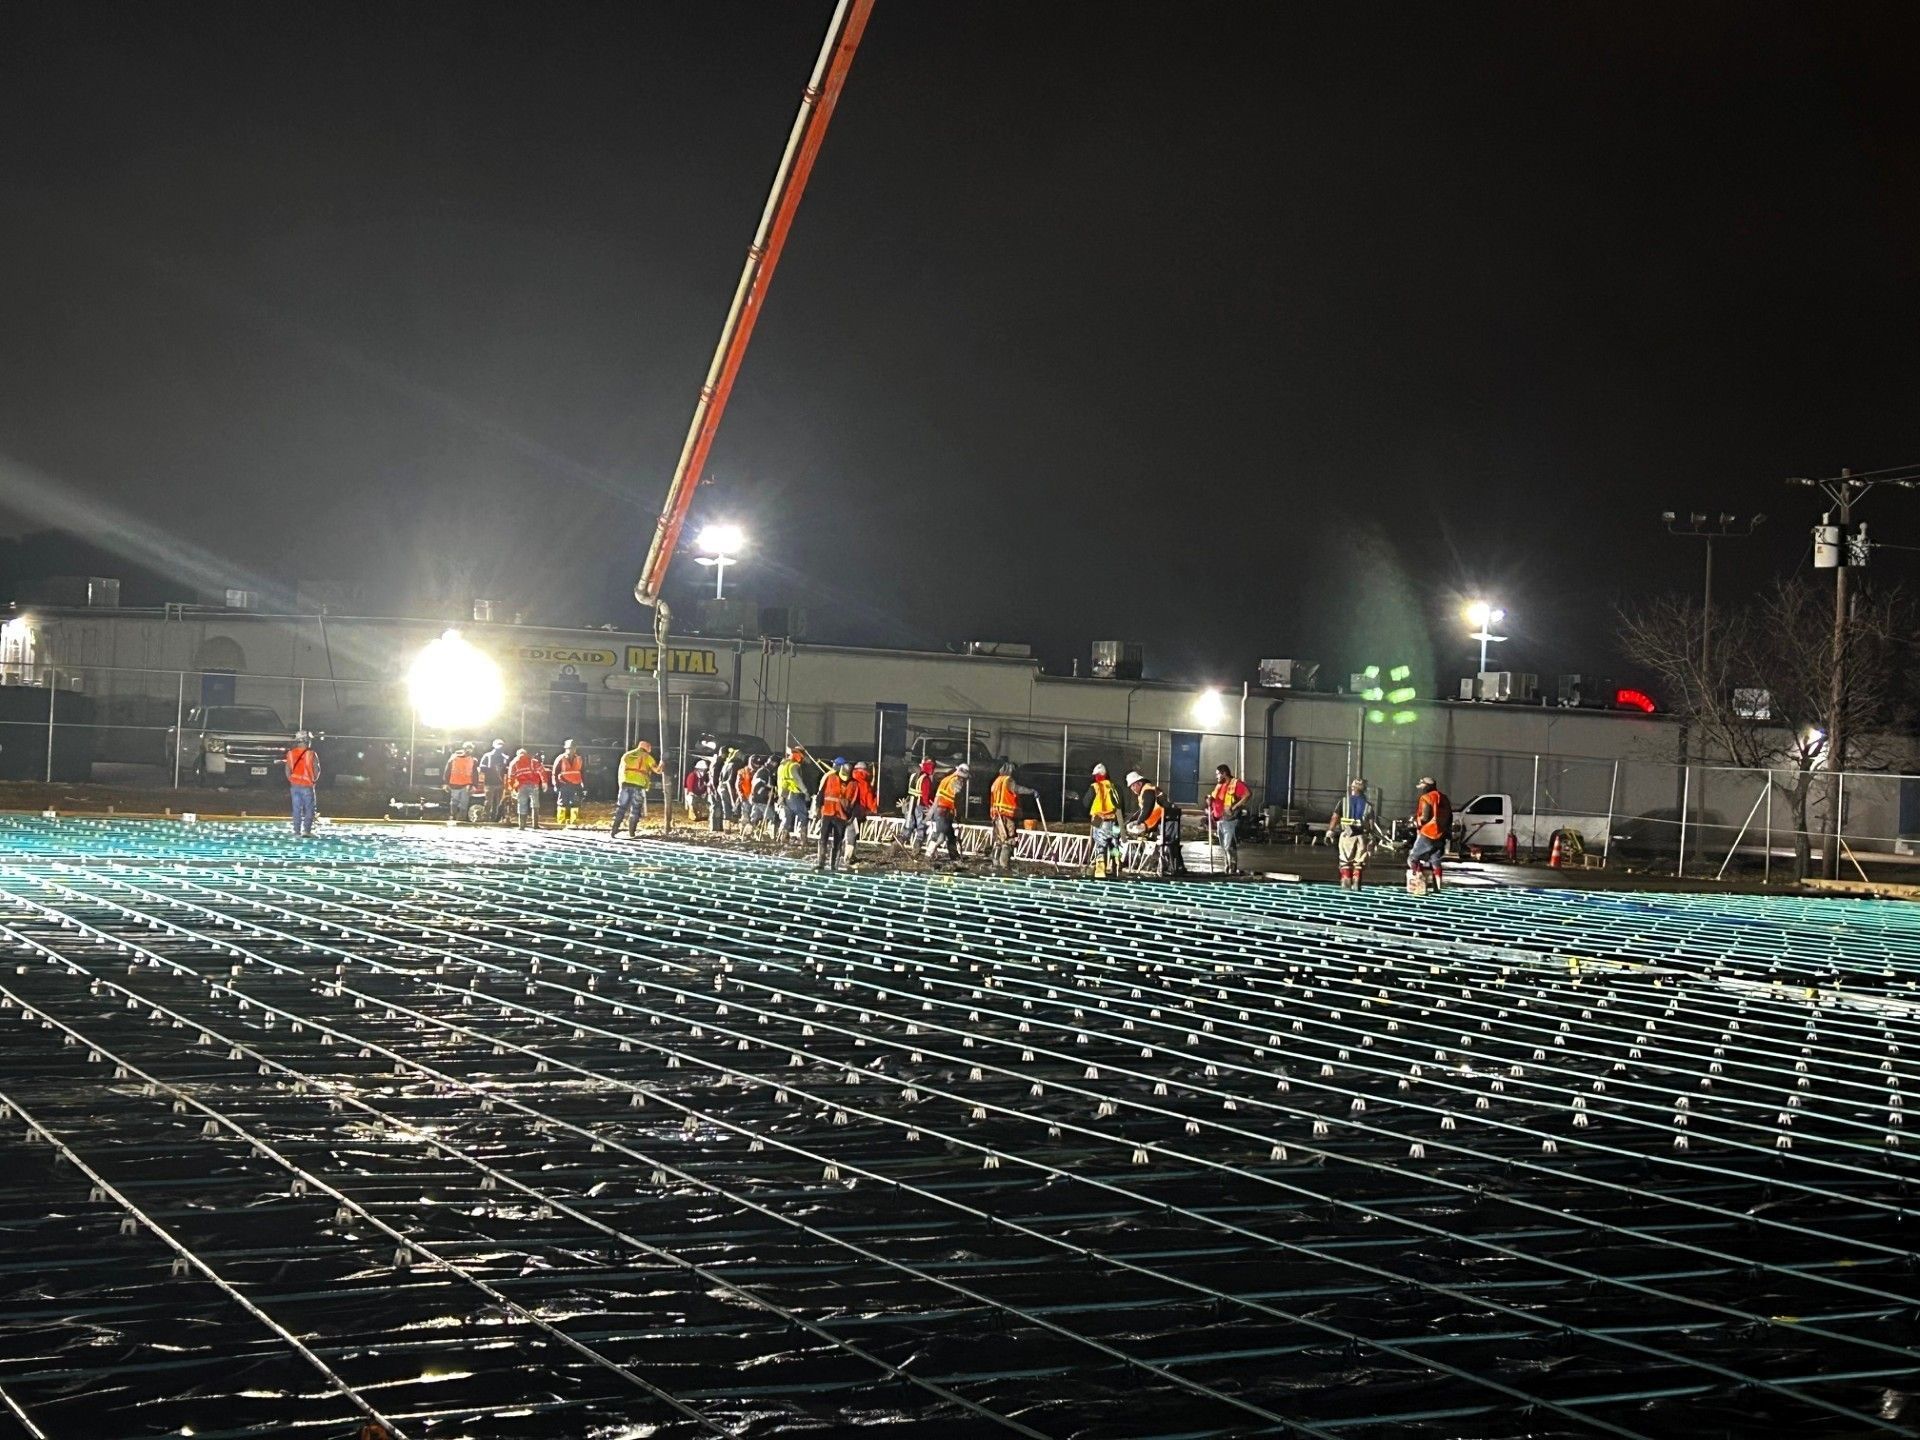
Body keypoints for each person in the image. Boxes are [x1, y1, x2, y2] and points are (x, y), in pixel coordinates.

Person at [1126, 770, 1185, 877]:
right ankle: (1172, 867)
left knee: (1167, 843)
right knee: (1168, 843)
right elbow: (1142, 810)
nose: (1132, 789)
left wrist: (1138, 822)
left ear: (1138, 783)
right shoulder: (1145, 791)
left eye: (1133, 786)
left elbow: (1147, 809)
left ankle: (1171, 867)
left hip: (1168, 818)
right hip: (1163, 819)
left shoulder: (1148, 790)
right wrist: (1131, 820)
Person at [1329, 778, 1378, 888]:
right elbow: (1371, 825)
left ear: (1352, 788)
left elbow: (1335, 817)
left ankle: (1346, 883)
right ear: (1364, 789)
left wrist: (1330, 831)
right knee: (1359, 863)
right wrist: (1371, 839)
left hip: (1347, 835)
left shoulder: (1344, 801)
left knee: (1345, 861)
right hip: (1362, 836)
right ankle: (1356, 883)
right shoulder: (1368, 805)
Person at [988, 761, 1036, 871]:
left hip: (996, 816)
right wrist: (1031, 791)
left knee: (999, 840)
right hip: (1007, 816)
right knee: (1009, 840)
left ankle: (995, 864)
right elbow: (1017, 789)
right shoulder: (1008, 780)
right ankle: (1004, 864)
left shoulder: (996, 781)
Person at [1408, 776, 1452, 895]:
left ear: (1426, 786)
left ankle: (1419, 882)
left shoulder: (1426, 798)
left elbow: (1425, 817)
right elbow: (1449, 817)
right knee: (1435, 861)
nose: (1421, 788)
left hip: (1428, 833)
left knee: (1413, 858)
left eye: (1422, 786)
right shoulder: (1444, 798)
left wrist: (1415, 821)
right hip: (1441, 834)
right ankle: (1438, 887)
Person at [1208, 763, 1251, 874]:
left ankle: (1232, 868)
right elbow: (1214, 798)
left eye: (1218, 774)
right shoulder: (1219, 785)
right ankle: (1227, 867)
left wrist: (1235, 806)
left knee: (1228, 845)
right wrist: (1209, 801)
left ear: (1224, 773)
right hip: (1219, 819)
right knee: (1224, 845)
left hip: (1230, 819)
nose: (1216, 776)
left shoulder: (1235, 783)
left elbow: (1247, 794)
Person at [815, 757, 856, 872]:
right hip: (828, 813)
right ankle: (821, 863)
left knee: (837, 842)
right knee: (823, 839)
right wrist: (818, 808)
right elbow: (821, 794)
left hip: (841, 817)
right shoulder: (830, 778)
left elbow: (854, 802)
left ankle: (834, 866)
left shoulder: (853, 784)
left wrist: (851, 817)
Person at [610, 739, 657, 837]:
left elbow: (620, 771)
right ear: (647, 748)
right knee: (635, 809)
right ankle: (631, 832)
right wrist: (663, 764)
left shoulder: (626, 755)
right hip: (639, 786)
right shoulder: (647, 757)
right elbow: (657, 770)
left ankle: (614, 830)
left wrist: (621, 785)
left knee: (621, 808)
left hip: (625, 784)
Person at [1086, 762, 1123, 878]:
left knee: (1100, 844)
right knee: (1114, 843)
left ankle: (1100, 871)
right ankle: (1116, 866)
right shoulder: (1115, 787)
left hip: (1099, 818)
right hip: (1115, 819)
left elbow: (1086, 802)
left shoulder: (1095, 787)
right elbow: (1121, 805)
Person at [927, 762, 967, 865]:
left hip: (941, 810)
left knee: (950, 835)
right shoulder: (957, 781)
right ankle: (929, 854)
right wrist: (958, 814)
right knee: (940, 836)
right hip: (944, 811)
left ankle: (954, 856)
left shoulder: (947, 779)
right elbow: (957, 799)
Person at [283, 730, 321, 838]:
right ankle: (307, 831)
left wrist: (292, 780)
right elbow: (317, 770)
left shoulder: (290, 753)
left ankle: (296, 832)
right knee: (309, 809)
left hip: (294, 786)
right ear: (307, 741)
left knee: (296, 809)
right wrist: (313, 781)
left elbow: (287, 770)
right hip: (307, 786)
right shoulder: (311, 754)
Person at [845, 759, 879, 865]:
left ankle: (850, 855)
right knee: (852, 833)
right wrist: (877, 803)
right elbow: (870, 803)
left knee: (850, 833)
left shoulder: (850, 780)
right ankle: (848, 857)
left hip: (847, 811)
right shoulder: (865, 784)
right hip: (857, 813)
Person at [776, 746, 812, 844]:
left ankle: (782, 838)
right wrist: (805, 792)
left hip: (783, 795)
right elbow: (797, 779)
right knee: (803, 816)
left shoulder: (782, 765)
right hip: (794, 794)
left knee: (787, 817)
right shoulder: (794, 766)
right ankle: (803, 839)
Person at [903, 757, 937, 848]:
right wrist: (930, 807)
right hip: (920, 805)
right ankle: (916, 849)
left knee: (908, 827)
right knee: (920, 828)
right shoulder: (925, 779)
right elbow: (926, 796)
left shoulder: (913, 776)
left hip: (910, 805)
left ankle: (896, 846)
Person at [552, 739, 586, 828]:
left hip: (575, 784)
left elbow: (582, 772)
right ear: (566, 748)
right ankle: (561, 822)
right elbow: (555, 773)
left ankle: (573, 821)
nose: (571, 750)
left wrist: (583, 784)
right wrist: (555, 784)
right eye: (570, 748)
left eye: (573, 748)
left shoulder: (579, 759)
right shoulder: (561, 758)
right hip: (564, 784)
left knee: (575, 803)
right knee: (562, 803)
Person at [509, 747, 546, 830]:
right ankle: (535, 825)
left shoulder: (514, 763)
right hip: (534, 785)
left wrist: (512, 788)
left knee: (522, 804)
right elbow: (541, 771)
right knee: (535, 804)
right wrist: (544, 782)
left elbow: (511, 777)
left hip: (521, 786)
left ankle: (521, 826)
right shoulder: (533, 761)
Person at [444, 742, 479, 824]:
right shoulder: (454, 758)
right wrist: (446, 783)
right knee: (456, 803)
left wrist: (474, 785)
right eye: (468, 748)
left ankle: (459, 819)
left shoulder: (472, 760)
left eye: (470, 749)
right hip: (456, 785)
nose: (469, 750)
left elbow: (474, 774)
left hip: (464, 785)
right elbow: (448, 770)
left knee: (462, 803)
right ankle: (454, 818)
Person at [478, 738, 511, 823]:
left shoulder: (505, 758)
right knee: (488, 801)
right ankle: (486, 817)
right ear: (494, 746)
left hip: (500, 783)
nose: (500, 748)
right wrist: (491, 769)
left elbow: (508, 770)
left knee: (499, 802)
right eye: (498, 745)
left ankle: (497, 818)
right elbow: (481, 767)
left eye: (501, 746)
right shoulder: (487, 756)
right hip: (489, 783)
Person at [714, 747, 743, 831]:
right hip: (729, 789)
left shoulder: (726, 764)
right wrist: (733, 797)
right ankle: (740, 828)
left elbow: (721, 778)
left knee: (726, 808)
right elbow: (731, 781)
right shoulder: (736, 765)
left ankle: (727, 828)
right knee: (736, 808)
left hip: (721, 788)